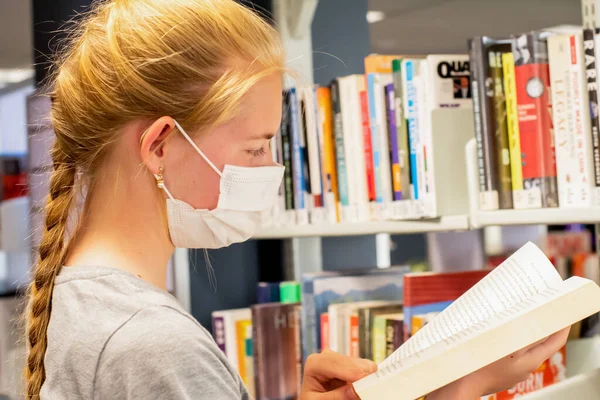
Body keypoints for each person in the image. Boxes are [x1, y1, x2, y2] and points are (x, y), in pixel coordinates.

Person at [24, 0, 569, 399]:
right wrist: (457, 389)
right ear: (160, 145)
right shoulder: (151, 346)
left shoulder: (76, 300)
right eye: (257, 147)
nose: (271, 171)